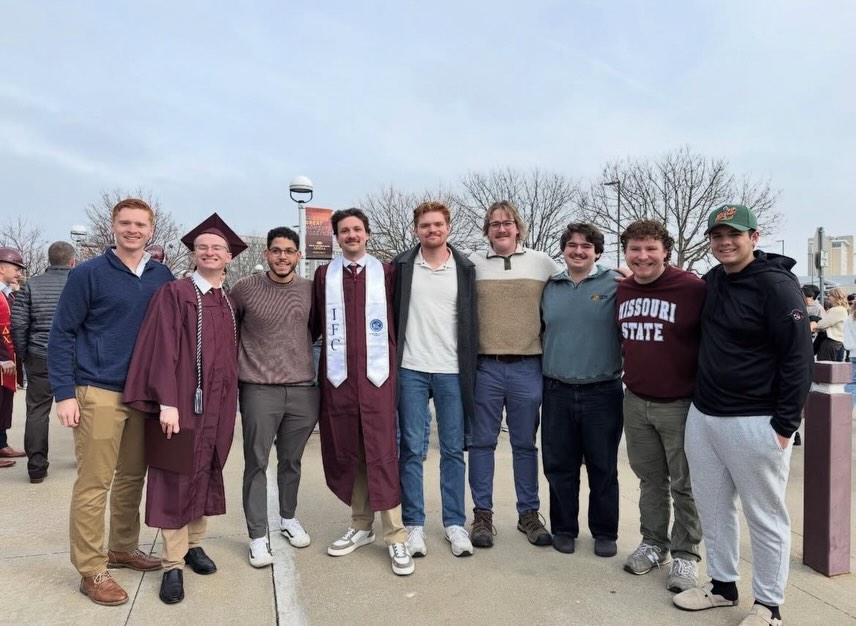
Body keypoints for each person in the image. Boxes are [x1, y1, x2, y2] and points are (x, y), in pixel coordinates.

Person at [673, 204, 813, 626]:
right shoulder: (714, 279)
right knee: (713, 508)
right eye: (717, 235)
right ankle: (722, 586)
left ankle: (769, 606)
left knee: (765, 515)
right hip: (705, 415)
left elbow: (798, 357)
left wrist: (786, 425)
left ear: (754, 237)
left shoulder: (776, 286)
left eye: (734, 234)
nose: (725, 242)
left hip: (756, 421)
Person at [48, 198, 172, 606]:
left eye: (140, 224)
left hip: (143, 393)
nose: (133, 230)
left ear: (151, 230)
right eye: (126, 223)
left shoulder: (161, 275)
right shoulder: (88, 274)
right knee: (94, 482)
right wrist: (64, 393)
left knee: (132, 475)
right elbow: (62, 333)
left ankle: (122, 546)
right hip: (98, 389)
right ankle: (91, 568)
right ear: (113, 225)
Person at [123, 213, 246, 604]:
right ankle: (172, 563)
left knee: (206, 470)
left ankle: (194, 544)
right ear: (193, 254)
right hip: (181, 405)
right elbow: (161, 349)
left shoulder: (226, 300)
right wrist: (167, 403)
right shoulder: (176, 293)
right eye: (202, 247)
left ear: (229, 256)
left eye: (217, 248)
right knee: (174, 476)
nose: (209, 252)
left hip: (218, 407)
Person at [310, 208, 413, 576]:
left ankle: (396, 535)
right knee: (351, 452)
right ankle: (360, 525)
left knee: (381, 452)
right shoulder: (325, 276)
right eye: (344, 231)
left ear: (367, 234)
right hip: (339, 380)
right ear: (336, 237)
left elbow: (401, 321)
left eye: (357, 229)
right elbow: (314, 326)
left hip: (378, 381)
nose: (351, 235)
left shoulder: (386, 273)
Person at [615, 220, 705, 590]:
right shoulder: (622, 291)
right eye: (635, 249)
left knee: (685, 484)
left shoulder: (692, 288)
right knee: (651, 481)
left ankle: (686, 555)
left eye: (650, 248)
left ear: (665, 250)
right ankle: (654, 543)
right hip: (636, 400)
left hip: (681, 403)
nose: (642, 256)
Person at [467, 200, 557, 549]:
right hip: (486, 366)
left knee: (524, 444)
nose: (501, 229)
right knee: (482, 443)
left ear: (518, 227)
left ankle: (529, 514)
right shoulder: (471, 265)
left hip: (527, 366)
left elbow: (574, 284)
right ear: (486, 230)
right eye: (494, 224)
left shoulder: (542, 263)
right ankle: (482, 515)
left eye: (507, 223)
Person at [230, 226, 319, 568]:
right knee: (256, 463)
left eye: (289, 251)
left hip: (301, 390)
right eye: (276, 250)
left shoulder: (311, 290)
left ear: (298, 255)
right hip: (258, 388)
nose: (283, 256)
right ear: (266, 254)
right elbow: (230, 330)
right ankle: (256, 536)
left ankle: (287, 518)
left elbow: (319, 330)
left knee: (291, 462)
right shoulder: (244, 289)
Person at [392, 201, 477, 558]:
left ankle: (455, 524)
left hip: (452, 370)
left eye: (438, 224)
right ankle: (413, 525)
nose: (432, 230)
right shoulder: (401, 266)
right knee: (411, 449)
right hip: (410, 367)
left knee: (453, 450)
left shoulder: (465, 268)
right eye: (425, 225)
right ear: (416, 230)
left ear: (448, 228)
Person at [540, 223, 623, 557]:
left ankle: (604, 531)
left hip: (601, 390)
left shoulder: (616, 284)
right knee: (560, 465)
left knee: (603, 466)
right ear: (563, 250)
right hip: (556, 389)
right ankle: (564, 528)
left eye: (586, 246)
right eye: (571, 245)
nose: (578, 250)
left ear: (597, 252)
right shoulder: (550, 287)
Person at [10, 241, 75, 481]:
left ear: (50, 260)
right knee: (85, 409)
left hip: (40, 355)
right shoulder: (81, 283)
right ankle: (86, 458)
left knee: (37, 411)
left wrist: (23, 353)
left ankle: (36, 467)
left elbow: (18, 324)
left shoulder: (30, 285)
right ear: (72, 261)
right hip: (75, 356)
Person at [0, 247, 26, 468]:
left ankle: (1, 443)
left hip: (7, 357)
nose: (18, 272)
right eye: (15, 267)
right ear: (1, 267)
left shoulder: (6, 293)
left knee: (3, 403)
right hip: (1, 358)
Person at [814, 287, 849, 361]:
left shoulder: (836, 310)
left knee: (825, 367)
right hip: (837, 342)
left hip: (830, 341)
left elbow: (822, 324)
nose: (828, 297)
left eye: (830, 295)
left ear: (836, 297)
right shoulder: (842, 309)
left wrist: (814, 323)